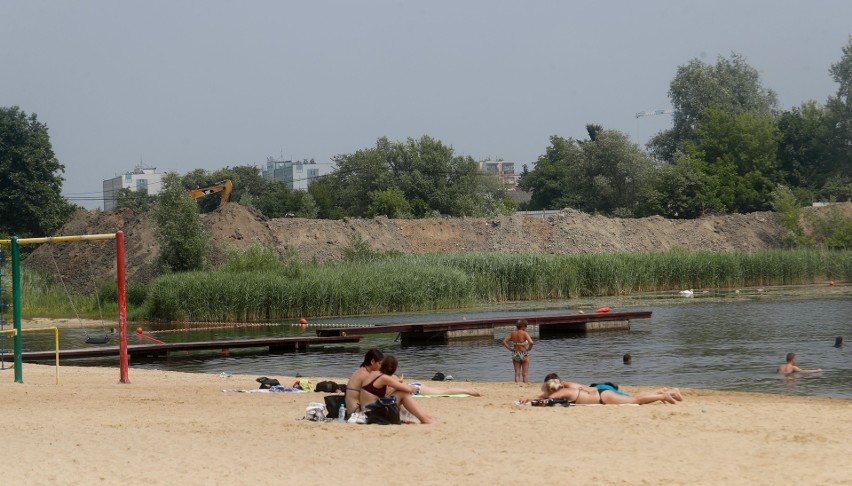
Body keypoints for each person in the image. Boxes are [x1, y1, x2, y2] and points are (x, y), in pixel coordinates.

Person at [359, 355, 439, 424]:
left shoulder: (374, 374)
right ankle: (425, 419)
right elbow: (408, 389)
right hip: (372, 413)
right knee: (403, 393)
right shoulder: (384, 378)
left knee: (398, 392)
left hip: (368, 411)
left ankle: (425, 417)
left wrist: (395, 387)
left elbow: (383, 395)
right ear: (391, 368)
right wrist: (415, 388)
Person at [522, 377, 682, 405]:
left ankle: (663, 395)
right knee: (633, 398)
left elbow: (545, 399)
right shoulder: (568, 385)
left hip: (602, 397)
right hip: (601, 391)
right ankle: (664, 393)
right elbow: (547, 394)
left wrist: (530, 400)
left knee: (635, 400)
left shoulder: (562, 393)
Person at [345, 348, 384, 414]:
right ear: (372, 361)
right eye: (380, 364)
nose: (381, 367)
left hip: (353, 410)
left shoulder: (362, 371)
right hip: (355, 412)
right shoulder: (364, 374)